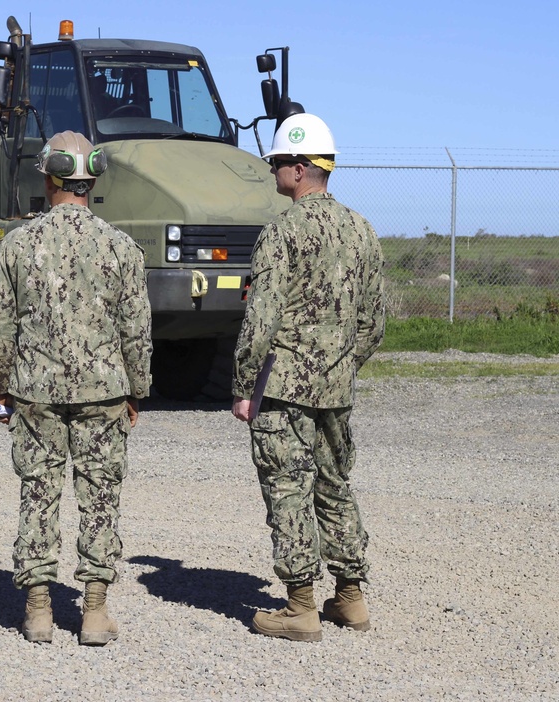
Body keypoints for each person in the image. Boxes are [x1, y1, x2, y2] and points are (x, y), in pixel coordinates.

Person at [0, 131, 152, 646]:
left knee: (38, 493)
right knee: (100, 494)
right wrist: (136, 390)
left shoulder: (15, 245)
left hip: (34, 391)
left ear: (48, 177)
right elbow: (137, 330)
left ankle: (38, 609)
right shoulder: (121, 247)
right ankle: (94, 611)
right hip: (104, 392)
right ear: (91, 178)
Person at [231, 113, 385, 642]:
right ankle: (350, 598)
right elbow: (374, 323)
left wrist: (242, 385)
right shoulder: (362, 229)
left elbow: (261, 319)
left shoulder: (281, 232)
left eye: (277, 163)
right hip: (335, 389)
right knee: (336, 485)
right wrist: (340, 366)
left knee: (288, 489)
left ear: (299, 169)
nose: (273, 169)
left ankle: (300, 607)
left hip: (282, 389)